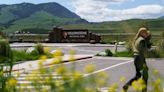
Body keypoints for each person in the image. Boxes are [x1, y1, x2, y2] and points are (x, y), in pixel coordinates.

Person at [123, 27, 151, 92]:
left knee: (138, 75)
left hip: (136, 58)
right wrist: (144, 64)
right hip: (140, 59)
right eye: (146, 32)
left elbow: (136, 50)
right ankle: (144, 90)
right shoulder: (142, 40)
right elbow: (142, 52)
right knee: (145, 76)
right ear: (142, 33)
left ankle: (126, 86)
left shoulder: (137, 39)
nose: (147, 33)